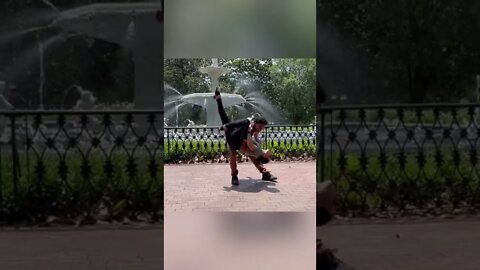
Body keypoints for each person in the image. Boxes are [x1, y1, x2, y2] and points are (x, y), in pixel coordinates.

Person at [214, 87, 277, 185]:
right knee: (234, 155)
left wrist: (258, 143)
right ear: (255, 123)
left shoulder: (254, 129)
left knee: (253, 153)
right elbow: (223, 114)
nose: (261, 129)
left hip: (241, 141)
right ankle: (234, 176)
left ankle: (265, 173)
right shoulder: (247, 125)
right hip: (233, 140)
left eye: (263, 127)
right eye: (260, 126)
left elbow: (255, 141)